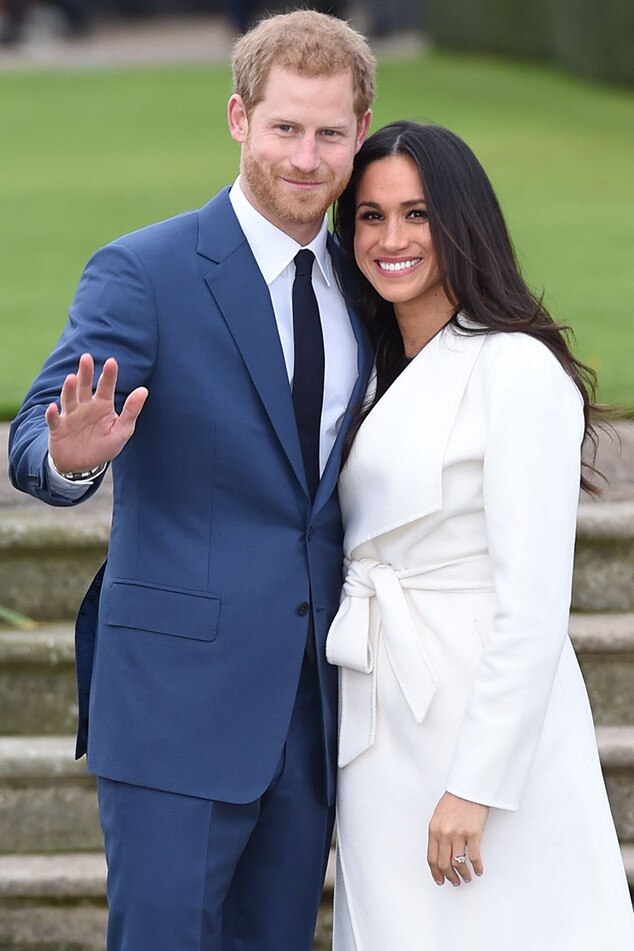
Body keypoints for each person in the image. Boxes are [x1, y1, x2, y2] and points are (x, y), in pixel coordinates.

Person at [8, 11, 374, 949]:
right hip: (175, 707)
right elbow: (32, 436)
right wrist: (69, 457)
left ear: (359, 135)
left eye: (330, 132)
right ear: (238, 118)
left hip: (313, 713)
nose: (306, 154)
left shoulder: (369, 286)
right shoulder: (147, 270)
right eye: (285, 126)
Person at [326, 121, 634, 949]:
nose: (391, 239)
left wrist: (476, 783)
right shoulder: (364, 371)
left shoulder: (515, 368)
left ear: (463, 222)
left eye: (417, 214)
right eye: (369, 215)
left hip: (482, 726)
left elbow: (533, 604)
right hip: (381, 716)